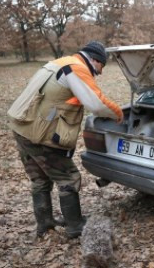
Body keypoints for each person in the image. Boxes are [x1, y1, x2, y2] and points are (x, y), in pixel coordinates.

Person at [8, 41, 123, 238]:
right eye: (101, 66)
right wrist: (119, 114)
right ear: (94, 59)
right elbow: (96, 103)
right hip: (40, 135)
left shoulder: (60, 62)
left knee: (40, 178)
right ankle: (75, 226)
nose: (101, 72)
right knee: (69, 178)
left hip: (22, 128)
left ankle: (44, 223)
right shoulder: (77, 68)